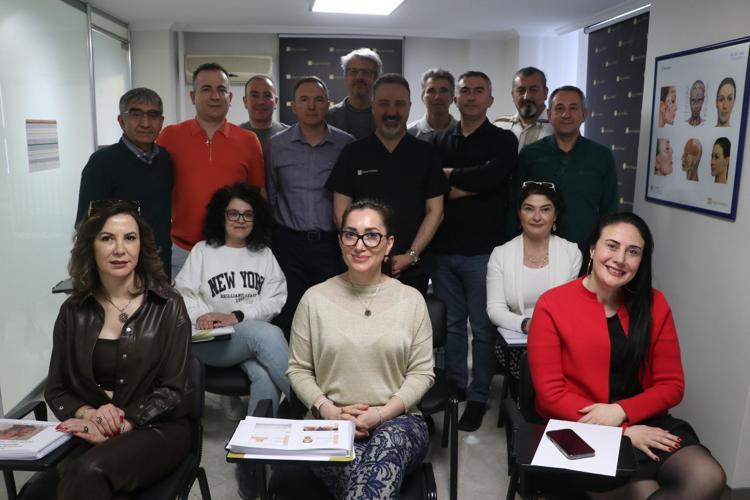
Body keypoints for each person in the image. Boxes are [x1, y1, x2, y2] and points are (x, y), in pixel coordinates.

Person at [528, 212, 726, 499]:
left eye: (633, 252)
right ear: (593, 249)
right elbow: (550, 396)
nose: (620, 259)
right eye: (612, 246)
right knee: (644, 491)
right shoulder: (552, 304)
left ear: (641, 261)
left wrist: (621, 412)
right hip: (580, 426)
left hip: (644, 418)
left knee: (707, 476)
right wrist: (620, 432)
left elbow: (672, 385)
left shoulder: (655, 303)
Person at [38, 200, 191, 500]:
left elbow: (174, 390)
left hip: (158, 427)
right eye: (107, 238)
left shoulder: (168, 305)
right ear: (90, 246)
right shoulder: (73, 311)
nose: (120, 249)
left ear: (141, 246)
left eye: (129, 238)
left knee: (89, 472)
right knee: (42, 491)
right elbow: (57, 389)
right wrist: (90, 413)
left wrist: (122, 422)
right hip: (93, 426)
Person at [287, 200, 434, 499]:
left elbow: (422, 373)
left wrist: (380, 414)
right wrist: (330, 411)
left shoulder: (411, 300)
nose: (359, 245)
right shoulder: (314, 299)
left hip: (399, 422)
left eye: (372, 235)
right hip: (329, 423)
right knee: (368, 477)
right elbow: (298, 369)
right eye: (350, 234)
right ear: (340, 241)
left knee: (386, 447)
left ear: (388, 243)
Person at [431, 71, 518, 431]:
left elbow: (494, 178)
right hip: (443, 250)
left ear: (490, 100)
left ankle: (479, 396)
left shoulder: (503, 140)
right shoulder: (437, 140)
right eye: (464, 91)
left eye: (478, 91)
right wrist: (475, 181)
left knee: (482, 328)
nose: (470, 96)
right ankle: (456, 388)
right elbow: (432, 185)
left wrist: (453, 177)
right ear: (455, 99)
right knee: (452, 326)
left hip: (484, 252)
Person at [175, 183, 289, 419]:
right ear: (222, 216)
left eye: (248, 214)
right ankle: (311, 405)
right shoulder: (203, 251)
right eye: (233, 213)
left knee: (265, 375)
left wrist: (238, 316)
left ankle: (258, 438)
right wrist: (202, 316)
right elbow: (182, 294)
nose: (240, 220)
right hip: (210, 341)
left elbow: (275, 299)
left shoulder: (264, 254)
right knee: (269, 335)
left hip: (248, 337)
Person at [327, 74, 447, 294]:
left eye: (399, 104)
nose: (392, 112)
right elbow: (340, 213)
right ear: (372, 106)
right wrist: (366, 253)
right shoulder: (353, 153)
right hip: (361, 265)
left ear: (409, 107)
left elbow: (436, 212)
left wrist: (411, 255)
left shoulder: (426, 154)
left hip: (412, 268)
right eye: (384, 103)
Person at [157, 62, 265, 277]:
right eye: (206, 89)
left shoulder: (249, 140)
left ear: (230, 97)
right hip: (183, 251)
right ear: (193, 96)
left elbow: (258, 198)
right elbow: (156, 189)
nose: (215, 96)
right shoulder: (170, 136)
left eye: (221, 89)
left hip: (234, 251)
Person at [266, 76, 353, 336]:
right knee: (290, 315)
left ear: (328, 104)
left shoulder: (346, 144)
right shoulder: (276, 145)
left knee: (331, 315)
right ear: (293, 106)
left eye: (318, 99)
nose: (312, 106)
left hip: (331, 245)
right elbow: (271, 194)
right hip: (288, 246)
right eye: (304, 99)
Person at [486, 181, 580, 385]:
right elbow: (494, 310)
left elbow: (572, 307)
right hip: (517, 342)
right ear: (519, 214)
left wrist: (548, 330)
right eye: (529, 209)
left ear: (555, 216)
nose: (537, 217)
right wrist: (527, 324)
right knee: (531, 365)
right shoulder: (500, 254)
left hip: (559, 339)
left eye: (545, 209)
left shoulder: (571, 252)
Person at [76, 88, 172, 275]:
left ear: (161, 122)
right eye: (136, 114)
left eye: (153, 115)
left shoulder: (165, 159)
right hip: (119, 265)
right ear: (121, 121)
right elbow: (86, 225)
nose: (145, 123)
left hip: (160, 263)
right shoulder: (102, 163)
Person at [516, 85, 618, 251]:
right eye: (559, 108)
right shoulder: (530, 154)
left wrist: (603, 246)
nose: (565, 114)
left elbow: (610, 209)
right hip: (535, 248)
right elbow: (515, 202)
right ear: (549, 115)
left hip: (585, 249)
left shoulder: (601, 156)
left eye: (573, 108)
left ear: (584, 114)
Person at [326, 48, 381, 139]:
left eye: (366, 72)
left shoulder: (386, 116)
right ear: (345, 76)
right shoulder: (328, 117)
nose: (359, 77)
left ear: (375, 78)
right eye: (354, 71)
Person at [495, 66, 554, 151]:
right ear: (513, 95)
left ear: (545, 93)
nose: (527, 97)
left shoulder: (558, 127)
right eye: (521, 90)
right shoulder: (499, 125)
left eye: (533, 90)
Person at [239, 75, 289, 158]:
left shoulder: (290, 136)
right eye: (254, 95)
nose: (261, 102)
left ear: (276, 102)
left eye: (267, 95)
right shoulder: (233, 136)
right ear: (245, 101)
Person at [407, 68, 458, 143]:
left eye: (443, 91)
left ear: (452, 97)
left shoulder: (463, 133)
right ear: (422, 97)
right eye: (431, 91)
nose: (437, 97)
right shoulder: (408, 134)